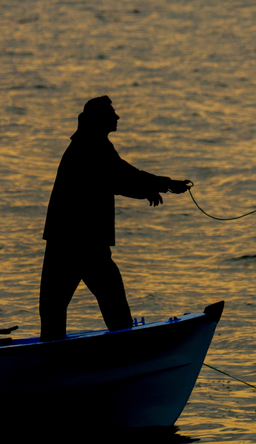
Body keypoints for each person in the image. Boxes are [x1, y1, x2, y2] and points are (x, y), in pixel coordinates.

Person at [39, 96, 191, 341]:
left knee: (55, 307)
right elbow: (122, 173)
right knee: (110, 301)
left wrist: (145, 192)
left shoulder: (88, 144)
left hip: (66, 239)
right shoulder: (92, 145)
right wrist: (167, 184)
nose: (117, 117)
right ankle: (126, 351)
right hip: (83, 241)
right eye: (112, 113)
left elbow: (110, 180)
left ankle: (49, 358)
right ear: (99, 119)